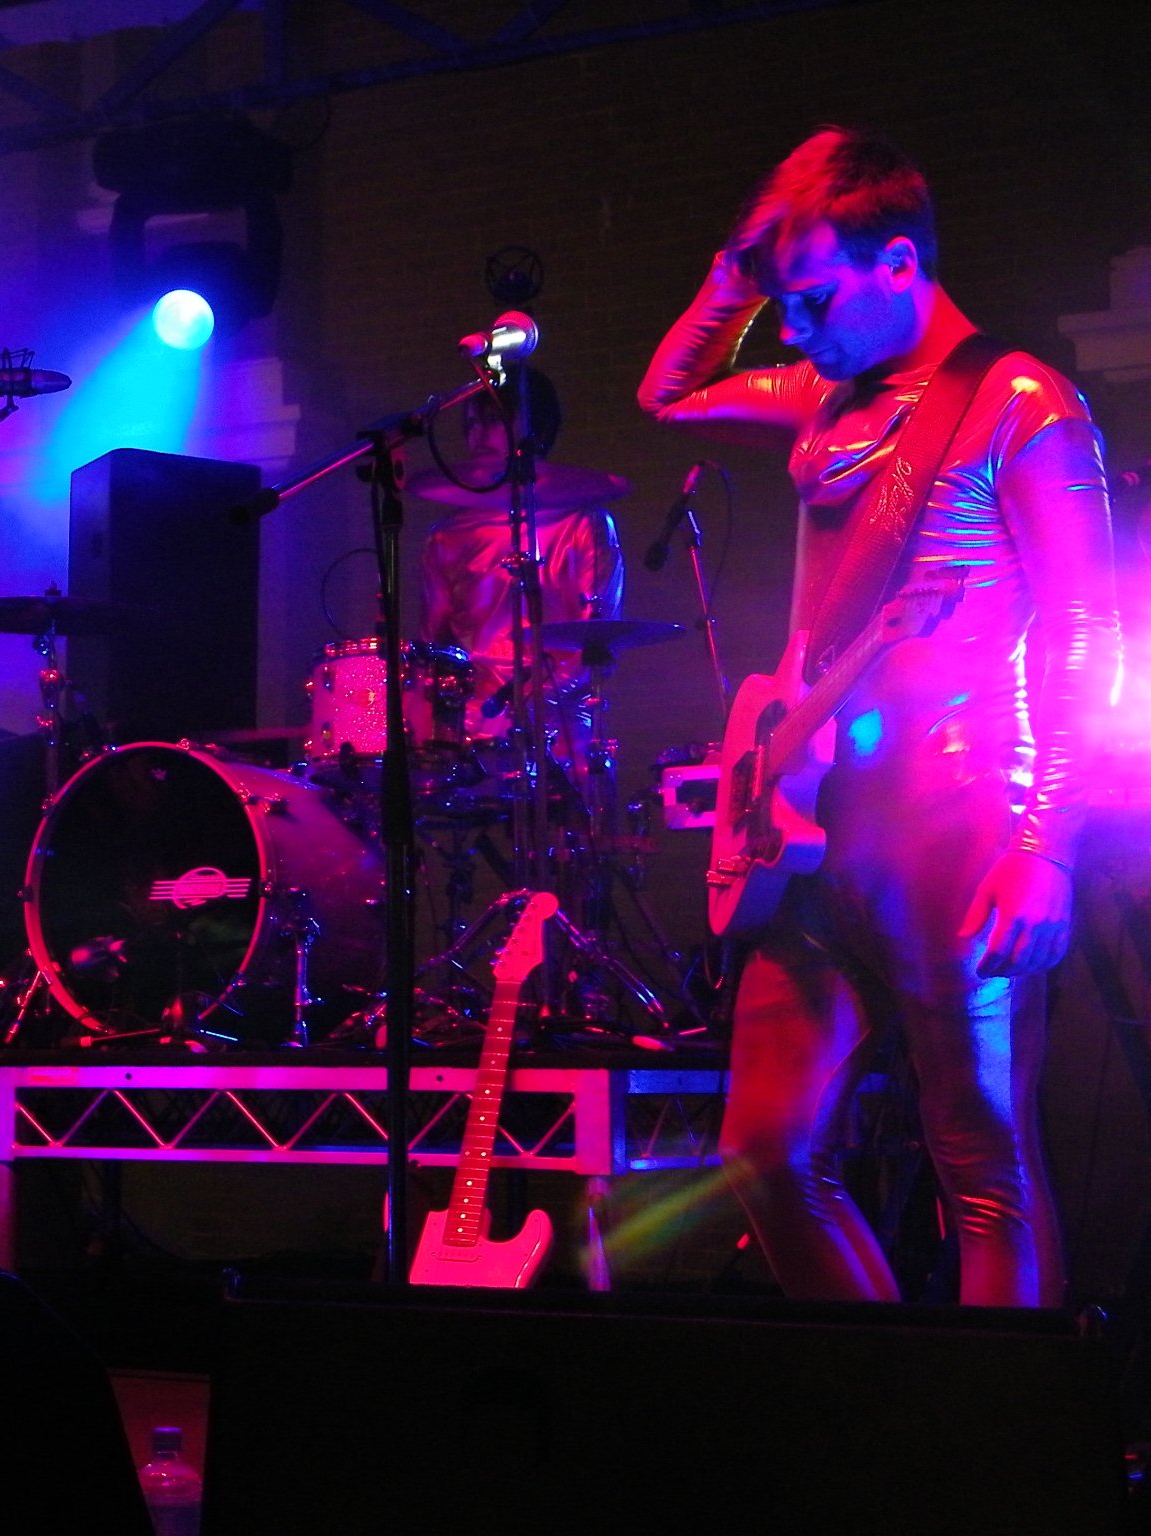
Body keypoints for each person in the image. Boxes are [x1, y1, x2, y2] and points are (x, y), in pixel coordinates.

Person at [637, 127, 1120, 1305]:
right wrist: (732, 278)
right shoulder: (821, 386)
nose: (792, 330)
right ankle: (895, 1400)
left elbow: (1082, 632)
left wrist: (1042, 846)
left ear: (899, 263)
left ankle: (1005, 1461)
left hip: (958, 818)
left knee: (983, 1172)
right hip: (810, 822)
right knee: (762, 1146)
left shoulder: (1018, 401)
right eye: (781, 305)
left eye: (809, 299)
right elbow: (667, 393)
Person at [419, 367, 627, 738]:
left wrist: (538, 703)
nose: (477, 435)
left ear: (537, 431)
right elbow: (435, 650)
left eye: (493, 421)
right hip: (472, 730)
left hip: (560, 727)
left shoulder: (586, 523)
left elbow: (596, 641)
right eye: (469, 425)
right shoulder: (446, 538)